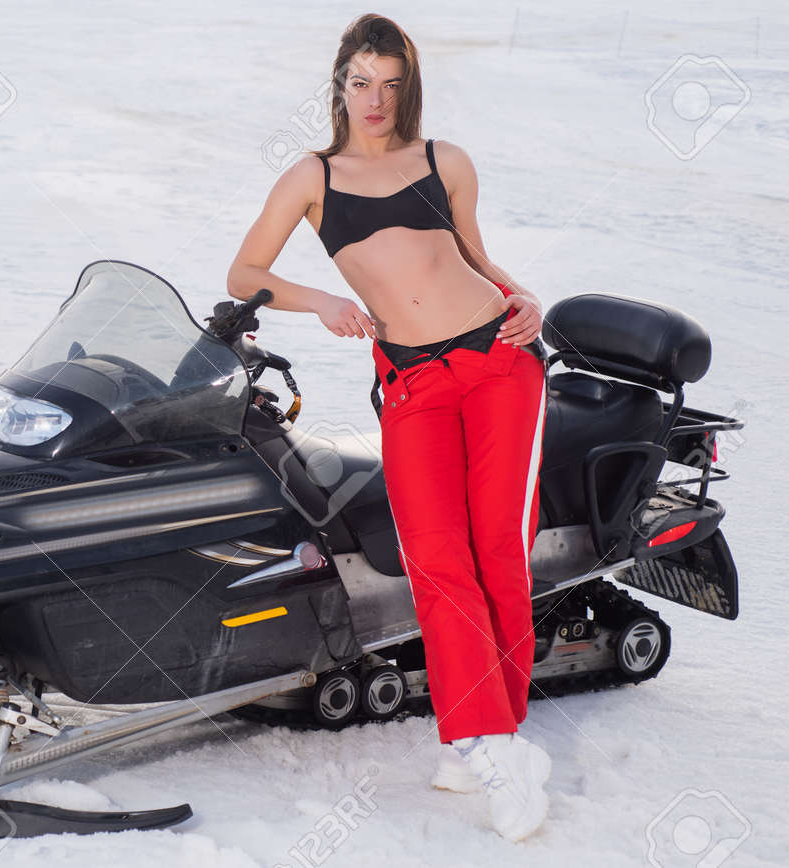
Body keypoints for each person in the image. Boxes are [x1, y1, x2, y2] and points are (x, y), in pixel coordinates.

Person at [226, 13, 552, 841]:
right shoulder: (312, 178)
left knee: (496, 552)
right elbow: (245, 271)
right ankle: (491, 740)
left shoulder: (444, 161)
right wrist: (325, 299)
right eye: (362, 82)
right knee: (437, 560)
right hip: (412, 383)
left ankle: (488, 739)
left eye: (392, 83)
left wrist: (527, 299)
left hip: (497, 363)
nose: (376, 100)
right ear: (340, 84)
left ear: (409, 88)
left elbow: (474, 258)